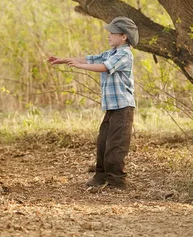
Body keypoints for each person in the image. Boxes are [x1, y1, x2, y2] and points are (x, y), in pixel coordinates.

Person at [48, 16, 138, 189]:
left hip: (123, 108)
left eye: (112, 33)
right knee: (103, 141)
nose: (109, 35)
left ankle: (116, 180)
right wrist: (64, 60)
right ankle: (101, 175)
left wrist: (79, 67)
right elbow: (91, 59)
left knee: (116, 145)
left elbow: (104, 67)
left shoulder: (124, 54)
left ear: (124, 36)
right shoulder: (110, 53)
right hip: (112, 108)